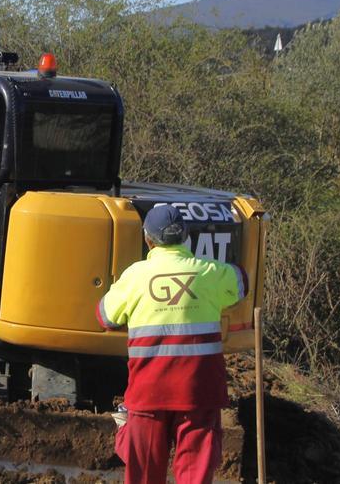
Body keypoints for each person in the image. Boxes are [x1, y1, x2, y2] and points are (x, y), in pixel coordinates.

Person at [96, 204, 247, 484]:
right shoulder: (210, 272)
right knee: (195, 474)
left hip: (148, 392)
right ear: (186, 237)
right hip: (198, 392)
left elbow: (105, 316)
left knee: (144, 475)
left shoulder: (135, 276)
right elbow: (240, 284)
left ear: (147, 239)